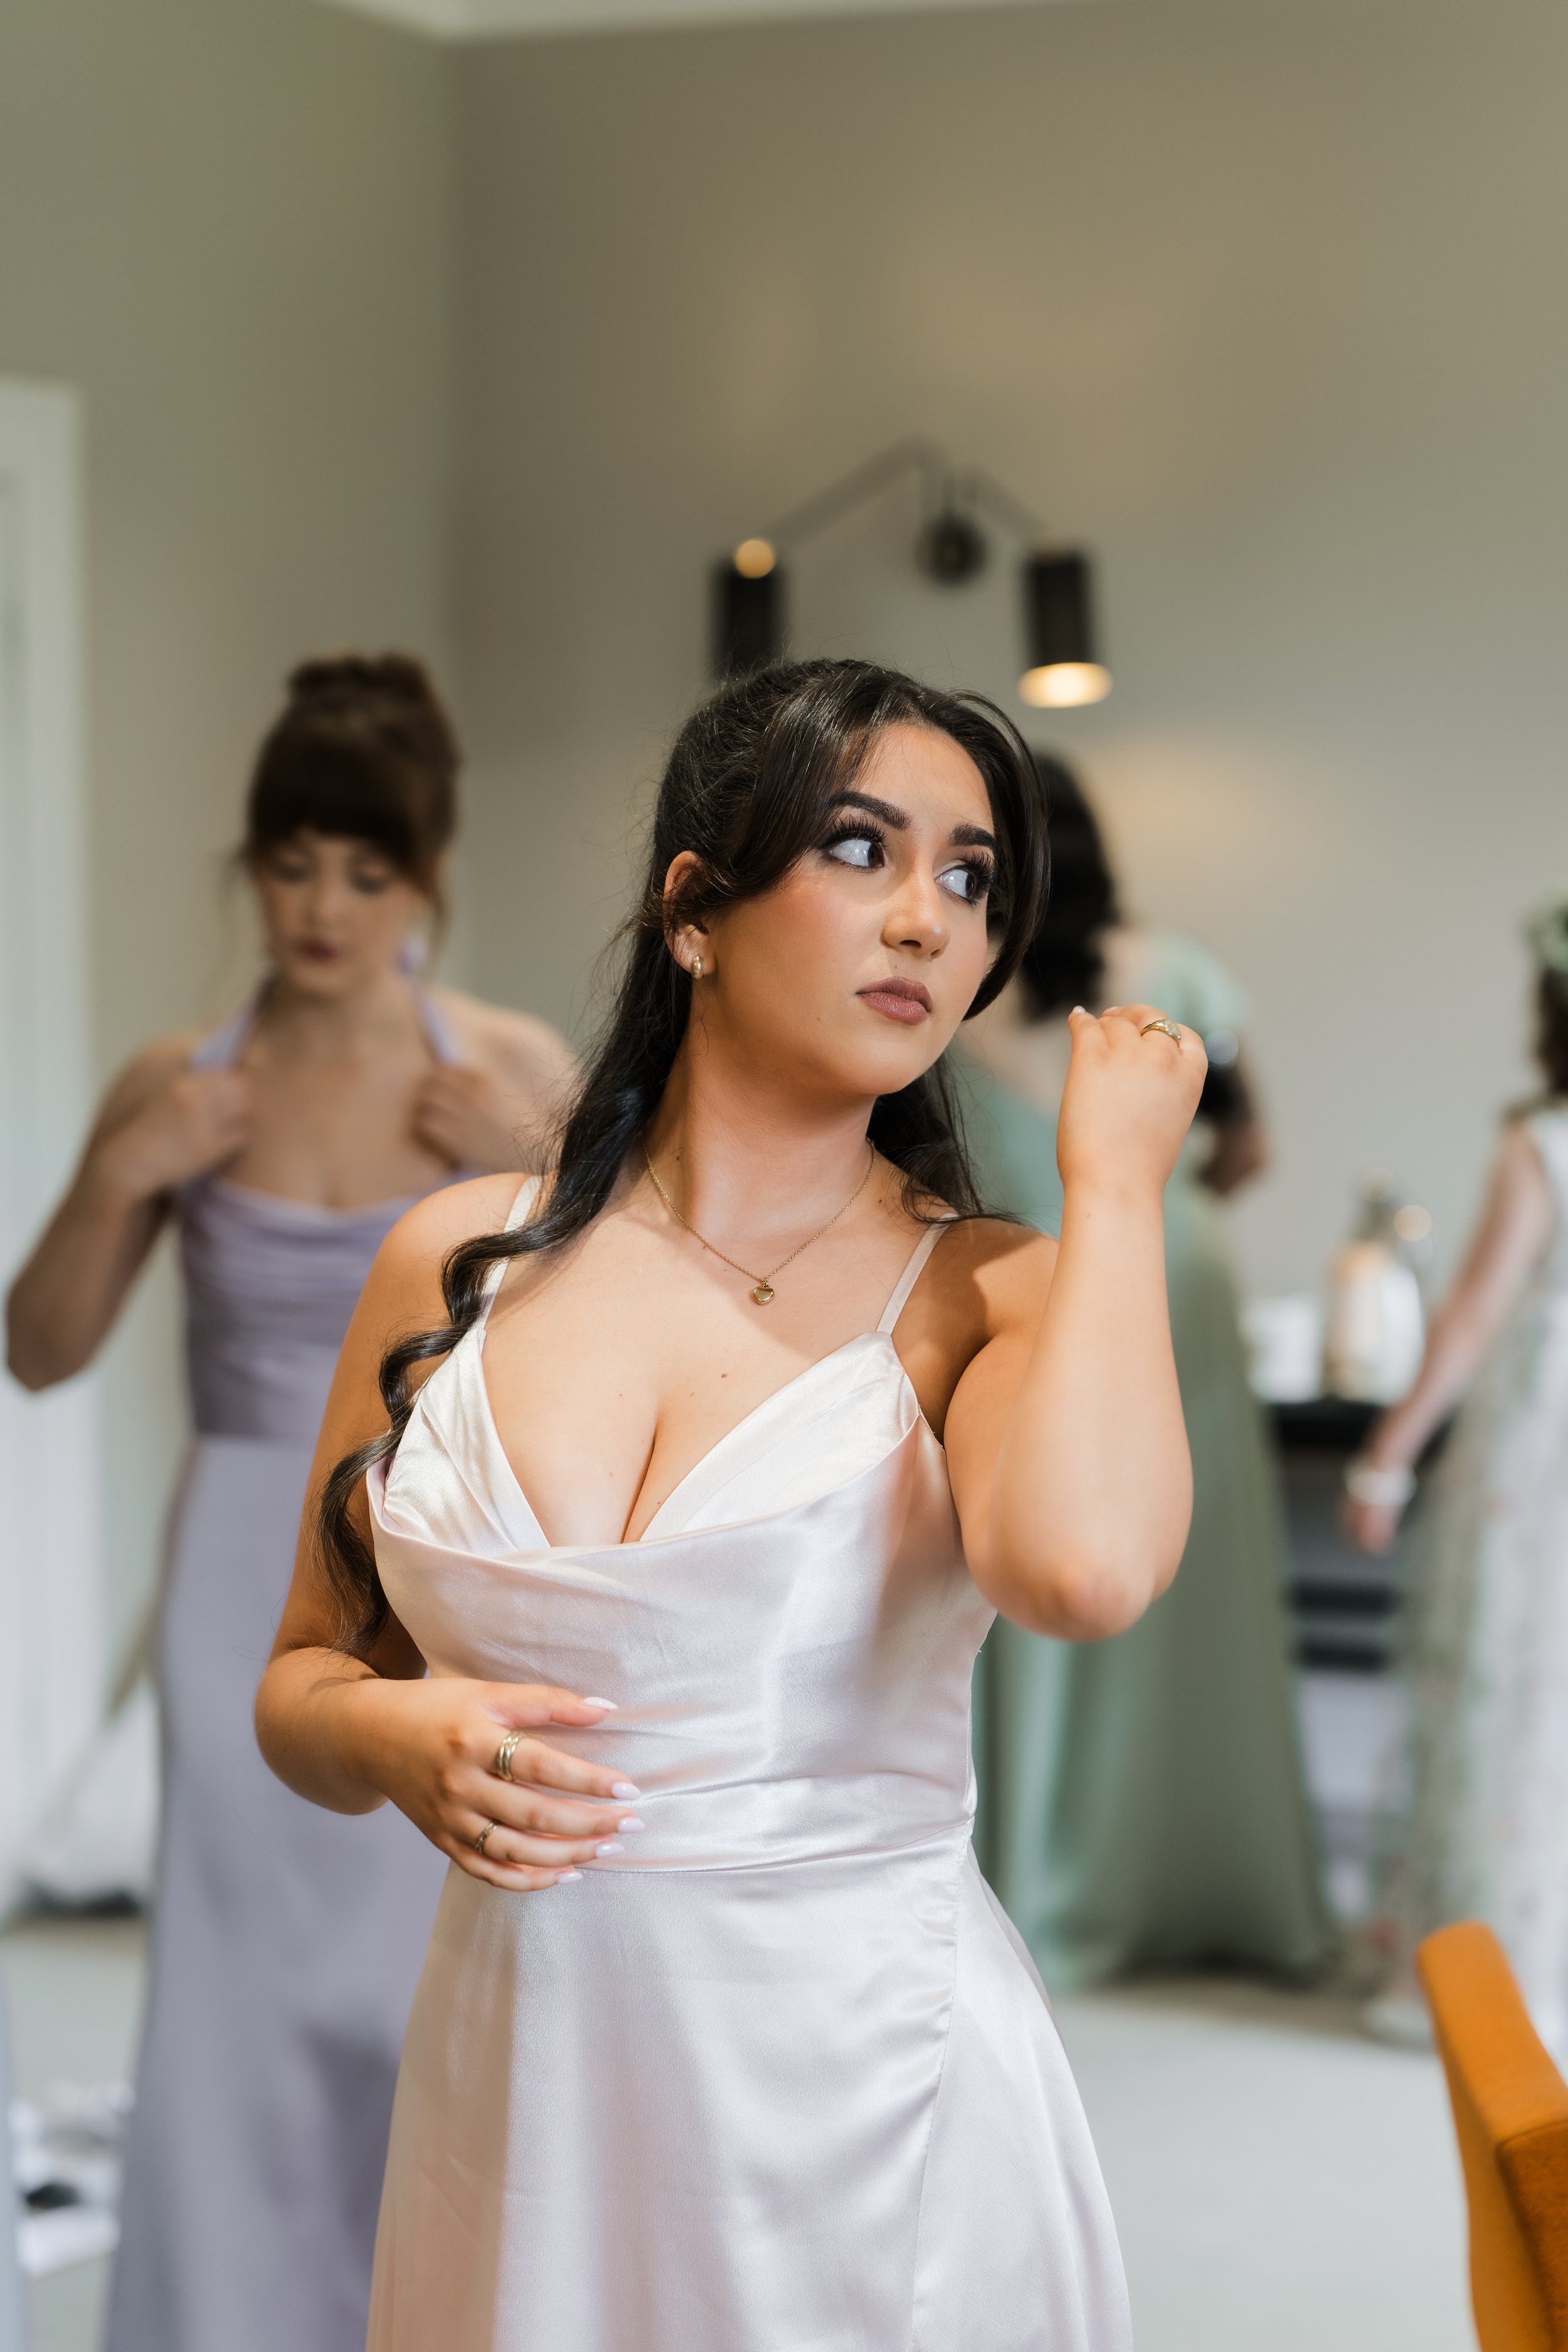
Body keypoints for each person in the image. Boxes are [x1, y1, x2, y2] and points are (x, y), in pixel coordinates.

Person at [255, 657, 1204, 2352]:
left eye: (971, 877)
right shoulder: (451, 1259)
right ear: (692, 906)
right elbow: (304, 1682)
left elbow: (1083, 1569)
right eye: (863, 849)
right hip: (517, 2079)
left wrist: (1114, 1185)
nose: (926, 917)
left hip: (857, 2098)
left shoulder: (985, 1287)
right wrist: (397, 1741)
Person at [5, 654, 576, 2352]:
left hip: (424, 1572)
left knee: (418, 1981)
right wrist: (127, 1171)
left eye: (367, 868)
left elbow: (626, 1352)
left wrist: (530, 1175)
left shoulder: (514, 1073)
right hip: (230, 1573)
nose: (322, 904)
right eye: (291, 861)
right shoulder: (180, 1082)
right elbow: (39, 1349)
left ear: (429, 879)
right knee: (236, 1995)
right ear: (250, 865)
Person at [959, 757, 1332, 1988]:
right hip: (1180, 1280)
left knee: (1050, 1557)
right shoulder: (1171, 976)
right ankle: (1209, 1876)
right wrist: (1172, 1209)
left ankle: (1047, 1876)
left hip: (1032, 1273)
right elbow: (1247, 1143)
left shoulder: (956, 981)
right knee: (1192, 1570)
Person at [1347, 897, 1568, 2061]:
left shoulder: (1544, 1136)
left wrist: (1387, 1455)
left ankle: (1508, 1967)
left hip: (1544, 1441)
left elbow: (1474, 1313)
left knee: (1518, 1681)